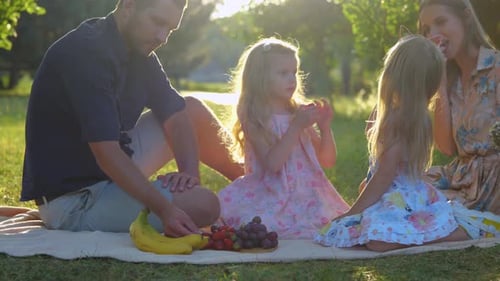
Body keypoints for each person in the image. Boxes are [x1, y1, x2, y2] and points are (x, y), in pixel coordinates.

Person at [20, 0, 243, 237]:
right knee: (204, 205)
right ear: (128, 6)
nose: (162, 37)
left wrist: (189, 175)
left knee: (191, 108)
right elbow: (106, 153)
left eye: (170, 29)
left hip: (108, 170)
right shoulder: (86, 53)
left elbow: (177, 116)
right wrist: (165, 209)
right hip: (76, 200)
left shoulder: (139, 50)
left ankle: (258, 187)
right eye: (158, 22)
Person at [314, 35, 472, 252]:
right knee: (365, 216)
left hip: (400, 198)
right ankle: (435, 229)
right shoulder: (409, 116)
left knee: (377, 240)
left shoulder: (401, 121)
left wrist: (352, 213)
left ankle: (437, 234)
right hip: (401, 194)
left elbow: (384, 176)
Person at [217, 37, 349, 239]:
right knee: (259, 223)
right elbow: (273, 164)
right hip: (269, 192)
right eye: (283, 73)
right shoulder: (253, 115)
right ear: (260, 77)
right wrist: (296, 126)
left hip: (307, 193)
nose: (292, 79)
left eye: (294, 72)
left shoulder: (297, 111)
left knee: (328, 221)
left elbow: (327, 161)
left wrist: (325, 128)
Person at [419, 0, 499, 214]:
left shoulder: (496, 69)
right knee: (390, 185)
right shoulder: (449, 82)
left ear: (466, 16)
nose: (434, 35)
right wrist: (441, 80)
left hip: (494, 183)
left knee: (410, 209)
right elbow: (445, 147)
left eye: (441, 22)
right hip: (460, 176)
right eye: (427, 30)